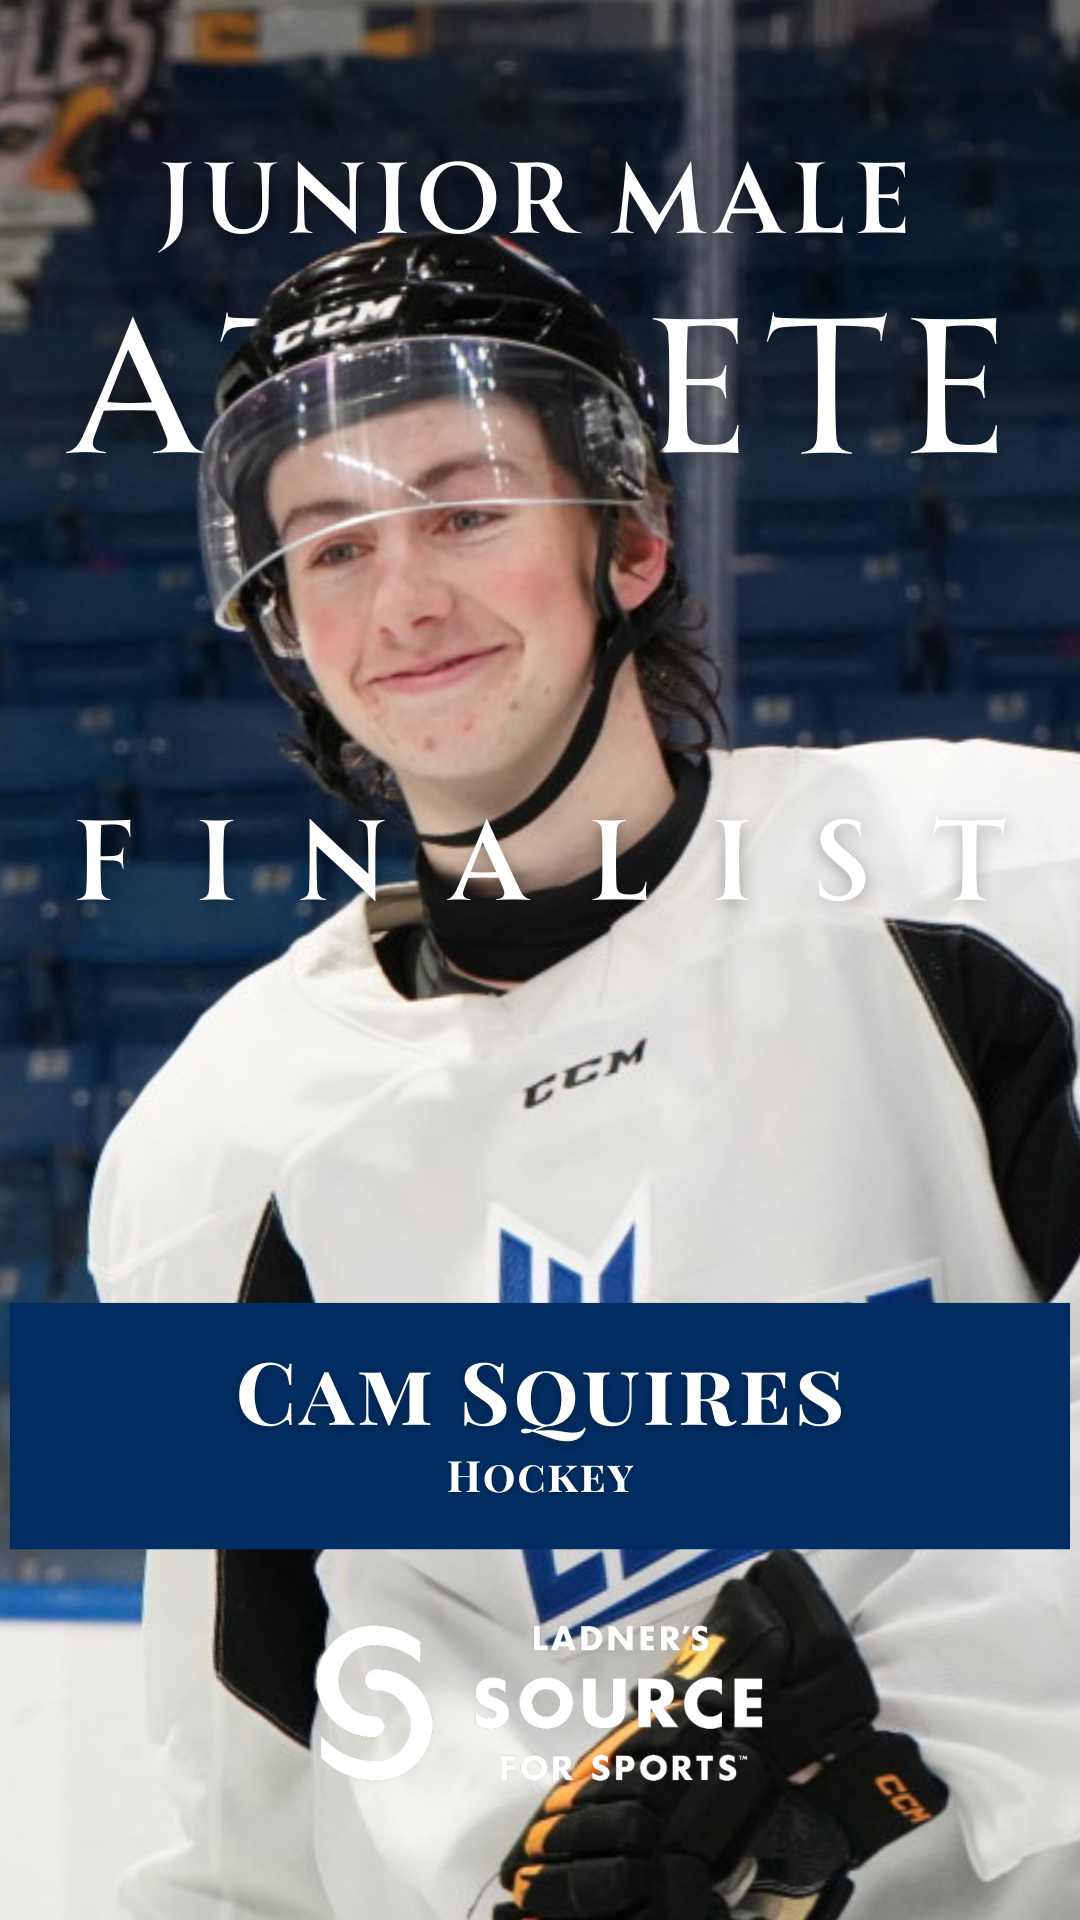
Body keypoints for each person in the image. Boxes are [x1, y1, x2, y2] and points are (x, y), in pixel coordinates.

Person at [89, 234, 1080, 1919]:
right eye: (331, 545)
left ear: (626, 538)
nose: (402, 600)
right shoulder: (214, 1141)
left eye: (466, 511)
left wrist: (863, 1768)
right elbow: (242, 1822)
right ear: (282, 624)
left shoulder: (996, 877)